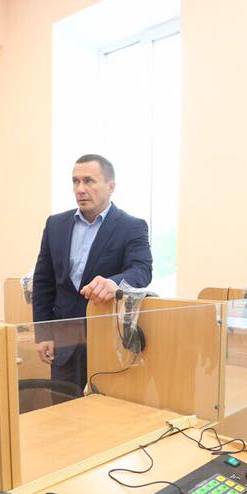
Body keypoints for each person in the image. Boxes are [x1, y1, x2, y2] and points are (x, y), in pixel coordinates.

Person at [32, 154, 153, 391]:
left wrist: (114, 283)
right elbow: (43, 282)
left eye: (89, 181)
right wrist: (43, 333)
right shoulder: (55, 225)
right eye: (75, 181)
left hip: (109, 340)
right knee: (63, 406)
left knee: (106, 409)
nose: (80, 189)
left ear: (111, 186)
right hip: (64, 342)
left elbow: (141, 270)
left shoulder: (131, 226)